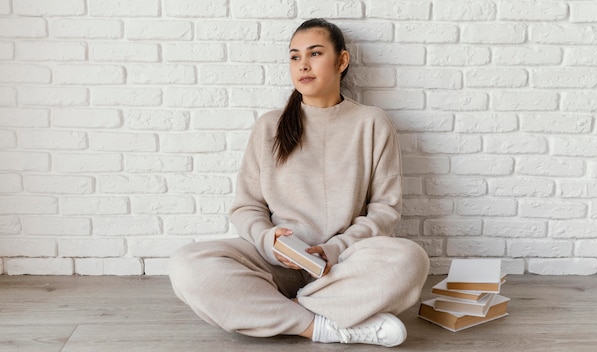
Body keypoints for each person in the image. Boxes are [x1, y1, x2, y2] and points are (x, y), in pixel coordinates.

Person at [169, 18, 430, 348]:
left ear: (342, 61)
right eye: (294, 57)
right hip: (277, 263)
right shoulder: (270, 126)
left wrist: (335, 249)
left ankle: (286, 312)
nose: (303, 65)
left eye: (315, 53)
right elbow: (246, 206)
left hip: (344, 264)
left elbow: (385, 211)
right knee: (187, 265)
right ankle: (323, 324)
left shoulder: (371, 123)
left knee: (410, 260)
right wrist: (269, 241)